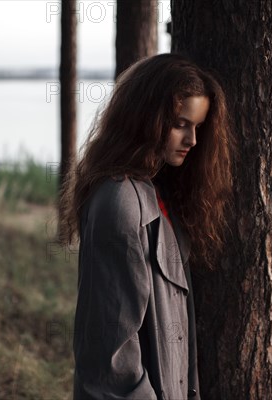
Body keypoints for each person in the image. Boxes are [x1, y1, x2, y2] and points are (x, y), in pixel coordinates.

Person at [57, 53, 233, 400]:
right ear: (146, 118)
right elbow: (110, 355)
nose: (193, 140)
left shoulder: (159, 190)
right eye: (180, 124)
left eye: (197, 126)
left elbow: (182, 329)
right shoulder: (120, 201)